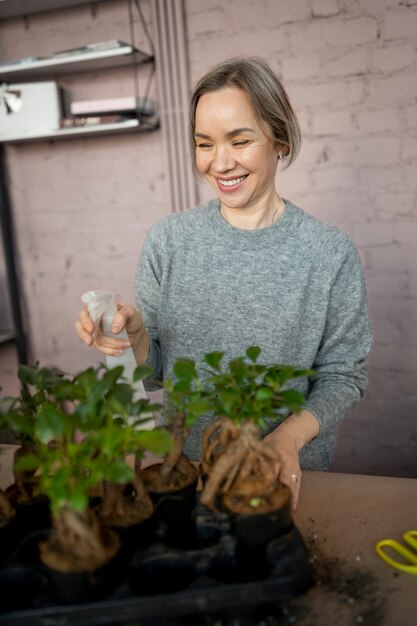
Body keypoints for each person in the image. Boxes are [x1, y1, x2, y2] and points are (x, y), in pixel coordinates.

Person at [76, 56, 372, 510]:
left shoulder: (329, 254)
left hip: (281, 478)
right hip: (187, 479)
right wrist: (134, 338)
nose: (220, 162)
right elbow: (155, 374)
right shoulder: (169, 242)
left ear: (279, 138)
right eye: (204, 143)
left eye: (240, 140)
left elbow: (343, 377)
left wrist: (287, 439)